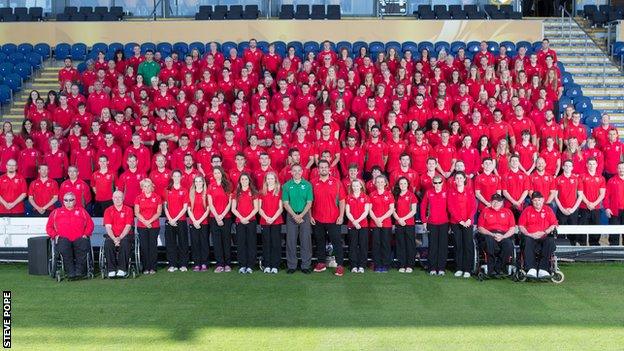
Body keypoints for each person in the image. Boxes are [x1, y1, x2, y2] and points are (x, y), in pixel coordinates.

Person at [46, 192, 94, 279]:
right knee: (64, 247)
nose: (68, 202)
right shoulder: (56, 212)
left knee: (83, 244)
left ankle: (80, 272)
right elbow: (49, 227)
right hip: (63, 239)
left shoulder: (82, 211)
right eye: (66, 200)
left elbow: (90, 225)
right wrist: (55, 235)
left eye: (71, 200)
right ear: (63, 201)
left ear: (75, 201)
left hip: (79, 238)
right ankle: (70, 272)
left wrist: (86, 234)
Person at [310, 160, 346, 276]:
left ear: (329, 169)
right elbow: (309, 202)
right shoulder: (313, 183)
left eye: (326, 167)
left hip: (334, 218)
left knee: (336, 243)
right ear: (318, 169)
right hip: (317, 218)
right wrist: (310, 216)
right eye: (321, 167)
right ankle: (321, 263)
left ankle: (340, 265)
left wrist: (341, 215)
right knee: (320, 242)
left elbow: (342, 200)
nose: (323, 169)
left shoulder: (337, 182)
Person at [518, 191, 558, 279]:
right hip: (530, 236)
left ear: (543, 200)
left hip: (544, 235)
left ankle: (543, 269)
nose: (537, 202)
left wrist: (545, 232)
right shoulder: (527, 210)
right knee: (527, 240)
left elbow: (554, 224)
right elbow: (521, 226)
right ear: (532, 201)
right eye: (535, 200)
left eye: (539, 200)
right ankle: (531, 269)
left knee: (550, 241)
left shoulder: (548, 210)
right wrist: (530, 234)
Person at [282, 164, 314, 274]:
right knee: (291, 241)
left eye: (298, 171)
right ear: (291, 172)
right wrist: (295, 216)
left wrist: (300, 216)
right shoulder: (286, 186)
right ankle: (292, 265)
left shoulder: (308, 185)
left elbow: (309, 203)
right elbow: (285, 203)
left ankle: (306, 265)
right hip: (291, 216)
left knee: (306, 240)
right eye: (294, 171)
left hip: (304, 215)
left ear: (302, 172)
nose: (296, 173)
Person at [477, 194, 516, 276]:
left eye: (498, 202)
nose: (496, 204)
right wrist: (492, 234)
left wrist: (503, 236)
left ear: (502, 203)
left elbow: (512, 229)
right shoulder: (485, 211)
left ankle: (499, 268)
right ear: (490, 202)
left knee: (508, 244)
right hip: (489, 234)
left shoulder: (508, 212)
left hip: (503, 235)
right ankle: (490, 268)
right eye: (494, 202)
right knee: (489, 240)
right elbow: (480, 228)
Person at [447, 171, 476, 278]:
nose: (459, 180)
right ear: (454, 180)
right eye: (457, 178)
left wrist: (468, 219)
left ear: (464, 179)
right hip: (456, 222)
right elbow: (451, 208)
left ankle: (467, 269)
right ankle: (459, 268)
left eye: (460, 178)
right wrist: (460, 220)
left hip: (468, 223)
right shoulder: (451, 191)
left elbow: (473, 207)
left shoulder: (469, 192)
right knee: (458, 245)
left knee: (467, 245)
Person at [420, 175, 450, 276]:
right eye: (435, 183)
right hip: (431, 223)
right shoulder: (429, 192)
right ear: (433, 183)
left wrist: (450, 223)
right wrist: (424, 221)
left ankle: (441, 268)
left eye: (439, 182)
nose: (437, 185)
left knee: (442, 246)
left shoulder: (446, 193)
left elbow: (450, 208)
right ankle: (432, 268)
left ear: (442, 183)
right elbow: (423, 206)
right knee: (432, 246)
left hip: (444, 223)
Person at [231, 173, 260, 274]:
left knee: (251, 243)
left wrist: (247, 218)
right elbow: (233, 208)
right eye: (242, 179)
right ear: (240, 181)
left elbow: (256, 208)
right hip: (240, 221)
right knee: (241, 243)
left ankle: (250, 265)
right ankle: (242, 265)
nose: (244, 181)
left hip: (251, 221)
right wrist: (241, 218)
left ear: (249, 181)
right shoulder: (236, 193)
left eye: (246, 179)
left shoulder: (254, 192)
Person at [102, 191, 134, 278]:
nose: (117, 199)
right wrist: (114, 238)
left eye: (120, 197)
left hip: (125, 235)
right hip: (112, 235)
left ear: (123, 198)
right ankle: (111, 270)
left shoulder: (129, 210)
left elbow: (128, 226)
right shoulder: (108, 210)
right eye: (115, 197)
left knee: (125, 243)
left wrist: (119, 238)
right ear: (112, 199)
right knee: (108, 244)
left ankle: (122, 269)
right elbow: (108, 227)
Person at [134, 178, 162, 275]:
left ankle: (153, 267)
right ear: (142, 187)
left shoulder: (157, 197)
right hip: (142, 225)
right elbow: (136, 212)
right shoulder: (138, 198)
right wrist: (145, 222)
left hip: (154, 225)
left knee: (153, 246)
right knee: (144, 246)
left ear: (152, 186)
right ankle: (146, 267)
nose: (147, 188)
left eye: (149, 186)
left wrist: (149, 221)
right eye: (145, 186)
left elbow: (159, 212)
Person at [208, 166, 233, 273]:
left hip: (226, 217)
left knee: (226, 241)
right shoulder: (211, 186)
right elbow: (210, 203)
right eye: (215, 173)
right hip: (214, 218)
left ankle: (227, 264)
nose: (217, 174)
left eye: (218, 172)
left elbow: (230, 203)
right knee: (217, 242)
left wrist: (222, 215)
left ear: (222, 173)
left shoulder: (228, 185)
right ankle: (219, 264)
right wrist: (217, 216)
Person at [258, 172, 284, 274]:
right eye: (268, 178)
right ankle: (267, 265)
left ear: (275, 180)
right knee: (266, 243)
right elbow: (260, 209)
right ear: (265, 180)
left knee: (275, 244)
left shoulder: (279, 192)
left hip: (276, 221)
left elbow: (281, 208)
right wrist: (266, 218)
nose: (270, 180)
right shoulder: (261, 192)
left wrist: (273, 218)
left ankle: (275, 265)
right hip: (265, 221)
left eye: (272, 178)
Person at [164, 170, 189, 272]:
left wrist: (175, 219)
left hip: (181, 220)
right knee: (171, 243)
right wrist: (170, 219)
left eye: (178, 176)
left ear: (181, 177)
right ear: (172, 177)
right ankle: (172, 264)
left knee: (183, 243)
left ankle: (183, 264)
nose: (177, 177)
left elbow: (185, 208)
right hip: (169, 221)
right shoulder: (167, 189)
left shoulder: (185, 190)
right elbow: (165, 206)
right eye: (175, 176)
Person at [554, 159, 583, 245]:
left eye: (569, 166)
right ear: (562, 167)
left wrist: (573, 209)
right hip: (561, 210)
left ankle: (573, 252)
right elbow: (555, 196)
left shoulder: (577, 179)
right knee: (561, 233)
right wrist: (562, 209)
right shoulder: (558, 179)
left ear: (572, 168)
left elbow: (580, 196)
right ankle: (562, 253)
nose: (567, 167)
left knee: (573, 232)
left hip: (573, 211)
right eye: (566, 165)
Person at [369, 174, 394, 273]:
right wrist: (376, 220)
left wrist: (381, 219)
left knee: (385, 244)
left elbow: (391, 209)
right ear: (375, 183)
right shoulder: (371, 194)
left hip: (386, 223)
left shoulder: (389, 194)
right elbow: (369, 210)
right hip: (375, 223)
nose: (380, 184)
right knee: (376, 244)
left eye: (381, 182)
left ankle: (385, 264)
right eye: (378, 182)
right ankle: (377, 265)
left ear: (385, 183)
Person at [392, 177, 418, 273]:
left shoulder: (412, 196)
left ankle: (410, 265)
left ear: (408, 184)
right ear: (399, 185)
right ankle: (402, 264)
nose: (403, 185)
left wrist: (403, 219)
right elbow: (393, 210)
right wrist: (399, 219)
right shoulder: (395, 196)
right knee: (400, 244)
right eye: (401, 183)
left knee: (410, 244)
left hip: (409, 224)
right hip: (399, 223)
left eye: (404, 183)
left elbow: (414, 211)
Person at [345, 179, 370, 273]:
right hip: (352, 224)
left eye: (357, 185)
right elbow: (347, 212)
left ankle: (362, 266)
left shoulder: (366, 197)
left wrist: (358, 221)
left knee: (363, 245)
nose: (355, 187)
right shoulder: (348, 197)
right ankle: (353, 266)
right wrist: (354, 222)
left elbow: (366, 211)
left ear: (361, 186)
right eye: (353, 186)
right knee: (353, 245)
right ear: (351, 187)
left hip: (363, 225)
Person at [579, 157, 606, 246]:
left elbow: (602, 194)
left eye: (593, 164)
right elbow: (580, 192)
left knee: (595, 228)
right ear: (586, 165)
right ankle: (582, 247)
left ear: (596, 165)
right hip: (583, 207)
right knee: (583, 229)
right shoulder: (582, 176)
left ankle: (594, 247)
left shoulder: (601, 178)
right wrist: (587, 203)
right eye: (590, 164)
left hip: (596, 207)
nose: (592, 166)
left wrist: (593, 204)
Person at [188, 175, 209, 272]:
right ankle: (197, 263)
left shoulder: (206, 193)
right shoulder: (191, 193)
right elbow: (189, 209)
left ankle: (204, 263)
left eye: (200, 181)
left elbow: (208, 209)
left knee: (204, 243)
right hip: (193, 222)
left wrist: (199, 221)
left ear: (203, 182)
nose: (198, 183)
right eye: (196, 181)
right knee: (195, 243)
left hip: (204, 222)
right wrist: (194, 221)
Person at [604, 162, 624, 246]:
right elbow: (606, 196)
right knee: (614, 233)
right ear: (617, 169)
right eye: (619, 168)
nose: (621, 170)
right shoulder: (611, 181)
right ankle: (612, 253)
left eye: (623, 168)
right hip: (614, 211)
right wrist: (607, 208)